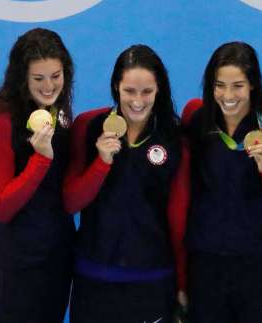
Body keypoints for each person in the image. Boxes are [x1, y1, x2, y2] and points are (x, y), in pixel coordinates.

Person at [64, 45, 189, 323]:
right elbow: (71, 202)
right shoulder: (89, 126)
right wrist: (101, 163)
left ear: (159, 90)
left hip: (153, 281)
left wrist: (182, 284)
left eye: (147, 92)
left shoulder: (174, 138)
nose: (138, 101)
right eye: (129, 91)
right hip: (93, 280)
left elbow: (178, 218)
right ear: (116, 88)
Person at [182, 41, 262, 323]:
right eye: (219, 85)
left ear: (253, 85)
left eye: (238, 86)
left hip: (259, 265)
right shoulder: (196, 117)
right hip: (205, 263)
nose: (227, 95)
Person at [0, 28, 76, 323]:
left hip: (56, 260)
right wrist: (40, 159)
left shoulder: (58, 113)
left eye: (56, 76)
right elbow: (1, 207)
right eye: (38, 78)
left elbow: (65, 195)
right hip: (14, 266)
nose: (49, 86)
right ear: (21, 78)